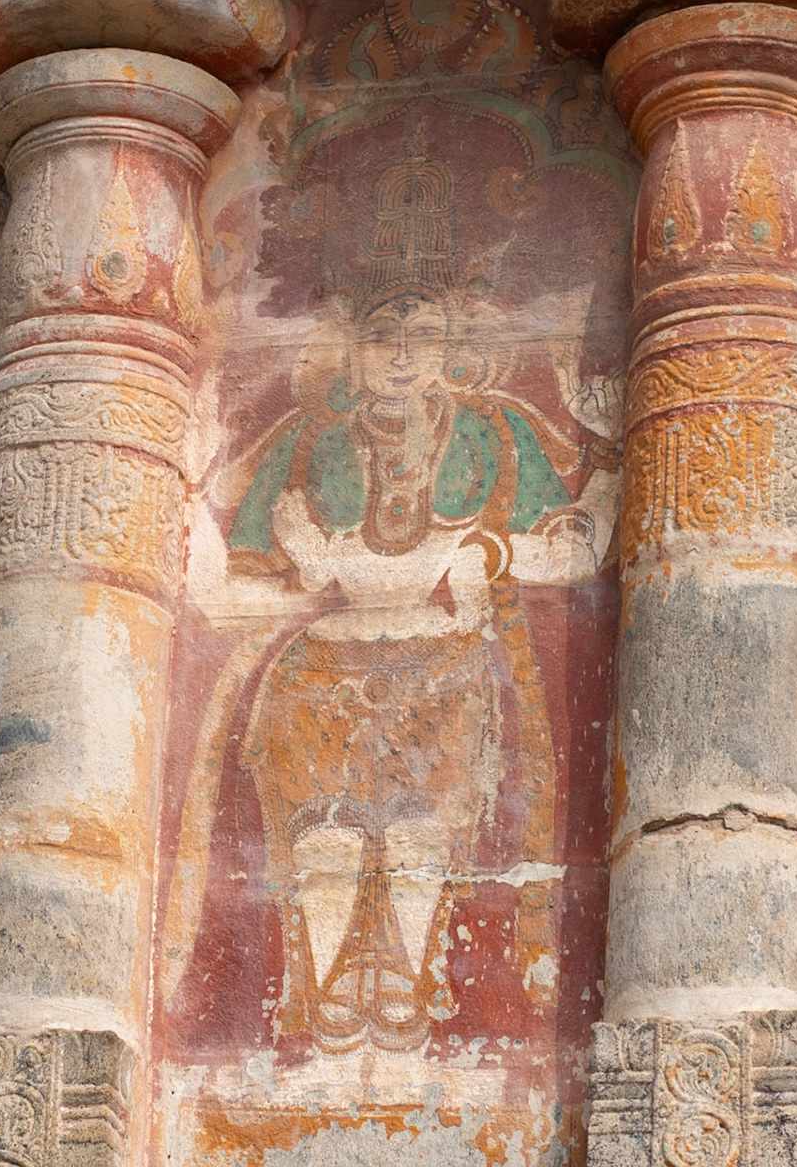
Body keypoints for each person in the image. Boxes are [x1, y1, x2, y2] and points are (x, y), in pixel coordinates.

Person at [177, 279, 618, 1054]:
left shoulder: (495, 434)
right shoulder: (307, 445)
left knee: (418, 843)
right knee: (325, 845)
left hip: (446, 674)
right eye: (384, 336)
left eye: (425, 336)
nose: (404, 356)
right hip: (319, 680)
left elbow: (575, 550)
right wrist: (184, 485)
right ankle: (328, 1010)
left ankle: (408, 1000)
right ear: (352, 353)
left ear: (453, 352)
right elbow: (222, 590)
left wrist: (601, 461)